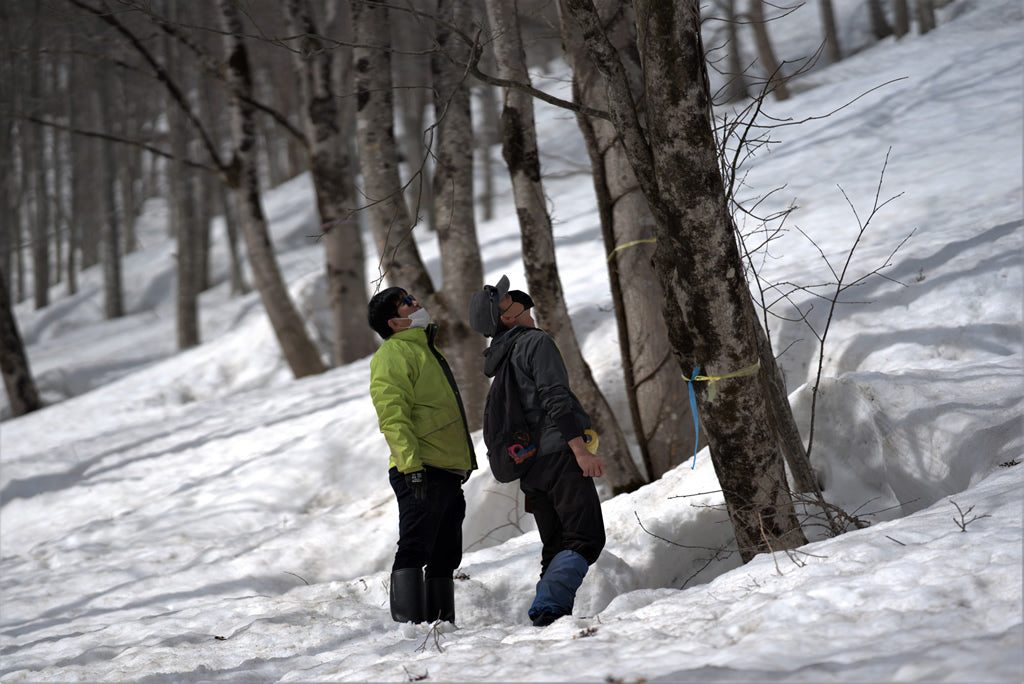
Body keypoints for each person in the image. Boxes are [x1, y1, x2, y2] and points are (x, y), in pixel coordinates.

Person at [468, 275, 606, 627]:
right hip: (560, 453)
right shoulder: (534, 342)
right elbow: (554, 399)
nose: (512, 296)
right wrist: (581, 451)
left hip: (531, 465)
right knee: (584, 538)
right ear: (508, 317)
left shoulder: (504, 356)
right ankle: (550, 605)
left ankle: (549, 616)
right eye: (504, 299)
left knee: (557, 542)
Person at [367, 287, 477, 624]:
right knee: (415, 546)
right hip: (420, 467)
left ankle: (441, 626)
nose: (416, 302)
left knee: (445, 554)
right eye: (406, 302)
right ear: (395, 323)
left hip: (445, 468)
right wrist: (411, 464)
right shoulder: (393, 354)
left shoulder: (425, 349)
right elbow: (392, 413)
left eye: (412, 297)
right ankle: (409, 629)